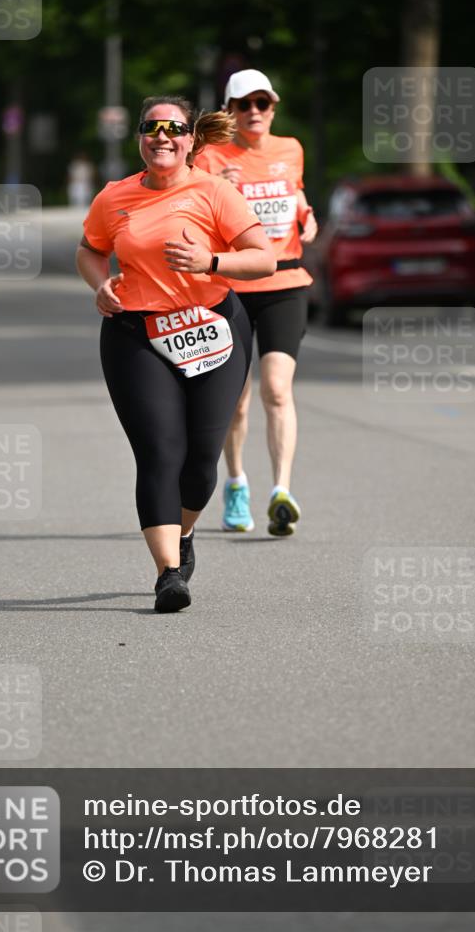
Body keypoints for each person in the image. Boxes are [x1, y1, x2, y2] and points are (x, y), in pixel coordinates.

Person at [76, 96, 274, 613]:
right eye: (151, 127)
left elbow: (264, 259)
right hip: (136, 335)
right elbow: (90, 249)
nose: (161, 136)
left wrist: (211, 259)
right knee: (160, 452)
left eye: (173, 128)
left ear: (191, 139)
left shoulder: (215, 192)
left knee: (202, 461)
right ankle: (168, 574)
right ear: (139, 136)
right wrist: (99, 286)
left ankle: (183, 534)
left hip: (213, 329)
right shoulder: (114, 197)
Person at [195, 70, 318, 537]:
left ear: (273, 107)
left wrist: (307, 215)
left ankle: (281, 491)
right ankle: (237, 483)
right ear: (229, 110)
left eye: (261, 104)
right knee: (238, 402)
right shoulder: (208, 158)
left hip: (286, 281)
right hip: (230, 289)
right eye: (243, 104)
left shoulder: (291, 149)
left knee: (277, 390)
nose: (253, 113)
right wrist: (217, 187)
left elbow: (294, 191)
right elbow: (191, 217)